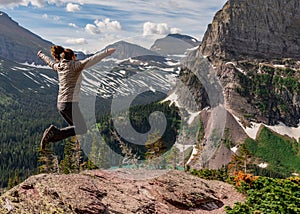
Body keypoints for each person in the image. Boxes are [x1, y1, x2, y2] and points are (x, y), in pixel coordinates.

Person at [37, 45, 116, 149]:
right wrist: (107, 52)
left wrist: (41, 55)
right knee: (82, 128)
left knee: (76, 128)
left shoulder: (59, 66)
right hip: (70, 104)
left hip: (61, 104)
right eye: (75, 56)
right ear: (72, 57)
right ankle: (53, 133)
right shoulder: (75, 66)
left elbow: (50, 62)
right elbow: (92, 59)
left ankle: (53, 136)